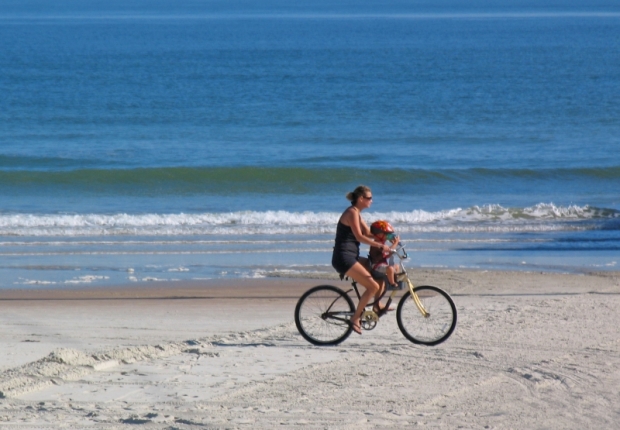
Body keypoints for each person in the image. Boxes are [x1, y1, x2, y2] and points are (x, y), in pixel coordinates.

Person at [331, 185, 392, 335]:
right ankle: (355, 318)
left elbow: (369, 233)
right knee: (373, 287)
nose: (372, 200)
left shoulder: (357, 213)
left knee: (379, 272)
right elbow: (360, 237)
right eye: (370, 198)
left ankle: (377, 306)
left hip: (352, 256)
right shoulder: (351, 213)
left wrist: (389, 236)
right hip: (343, 258)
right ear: (361, 199)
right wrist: (379, 245)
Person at [369, 220, 401, 290]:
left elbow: (386, 254)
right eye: (386, 234)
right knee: (390, 268)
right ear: (380, 234)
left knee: (396, 266)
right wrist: (395, 243)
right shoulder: (377, 243)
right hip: (376, 265)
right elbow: (388, 249)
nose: (388, 236)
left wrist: (393, 251)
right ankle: (392, 284)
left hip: (382, 263)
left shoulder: (382, 242)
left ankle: (395, 280)